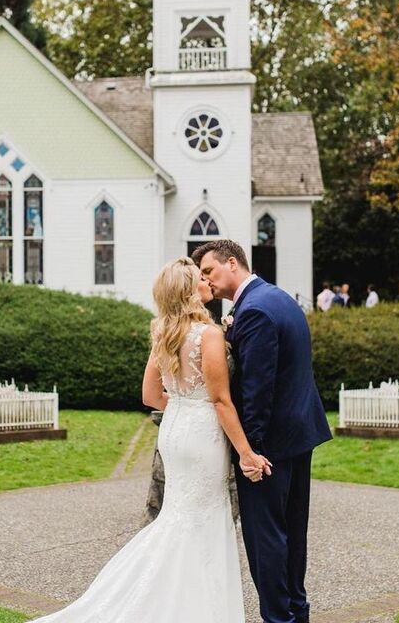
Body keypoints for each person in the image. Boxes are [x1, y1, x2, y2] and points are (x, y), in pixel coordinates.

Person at [28, 258, 264, 623]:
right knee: (203, 516)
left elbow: (151, 396)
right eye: (198, 278)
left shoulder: (164, 334)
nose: (205, 281)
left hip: (174, 431)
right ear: (189, 291)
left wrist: (184, 404)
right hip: (202, 436)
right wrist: (246, 453)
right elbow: (220, 400)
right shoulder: (209, 335)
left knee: (178, 515)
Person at [193, 240, 332, 623]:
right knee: (292, 534)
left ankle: (279, 618)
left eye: (209, 271)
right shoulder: (278, 298)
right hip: (299, 434)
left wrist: (248, 452)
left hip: (268, 445)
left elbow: (257, 391)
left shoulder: (252, 312)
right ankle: (296, 612)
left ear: (232, 262)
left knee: (266, 539)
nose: (205, 279)